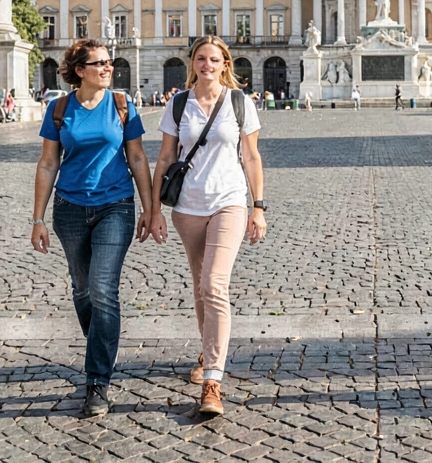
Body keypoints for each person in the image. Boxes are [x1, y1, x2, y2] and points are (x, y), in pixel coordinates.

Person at [31, 38, 155, 418]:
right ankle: (101, 345)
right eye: (99, 63)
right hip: (69, 209)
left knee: (103, 290)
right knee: (82, 290)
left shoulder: (122, 105)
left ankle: (97, 381)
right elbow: (48, 163)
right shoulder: (59, 109)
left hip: (115, 206)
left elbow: (136, 156)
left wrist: (150, 208)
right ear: (79, 70)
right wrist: (38, 217)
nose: (108, 68)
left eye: (109, 63)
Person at [152, 36, 265, 416]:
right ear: (193, 63)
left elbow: (251, 156)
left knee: (215, 284)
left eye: (213, 59)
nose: (206, 64)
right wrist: (153, 209)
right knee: (202, 286)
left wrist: (258, 206)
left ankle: (213, 381)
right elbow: (166, 157)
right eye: (200, 58)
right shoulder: (178, 104)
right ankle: (207, 349)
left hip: (229, 201)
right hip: (187, 207)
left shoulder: (240, 103)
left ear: (225, 64)